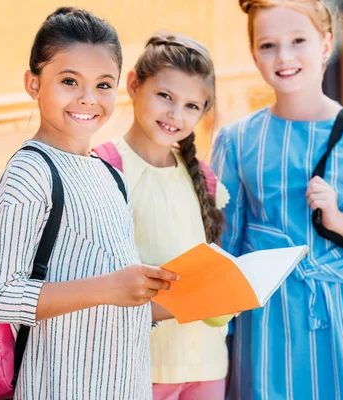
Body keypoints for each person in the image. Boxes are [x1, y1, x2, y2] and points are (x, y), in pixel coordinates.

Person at [211, 1, 343, 399]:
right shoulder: (236, 142)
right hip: (267, 325)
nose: (284, 56)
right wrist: (223, 334)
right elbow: (226, 249)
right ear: (253, 54)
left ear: (325, 44)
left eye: (298, 40)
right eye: (268, 45)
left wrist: (342, 219)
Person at [0, 8, 178, 399]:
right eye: (69, 81)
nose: (88, 99)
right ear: (33, 84)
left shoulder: (109, 176)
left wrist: (171, 299)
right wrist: (109, 288)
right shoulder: (30, 172)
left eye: (104, 85)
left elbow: (114, 299)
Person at [94, 32, 231, 400]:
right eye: (165, 97)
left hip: (207, 363)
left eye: (192, 105)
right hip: (137, 368)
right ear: (135, 84)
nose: (175, 114)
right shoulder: (104, 168)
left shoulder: (203, 176)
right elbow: (92, 283)